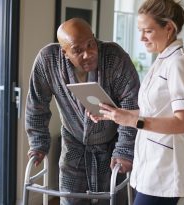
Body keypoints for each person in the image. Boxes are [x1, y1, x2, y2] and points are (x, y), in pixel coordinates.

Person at [90, 0, 184, 205]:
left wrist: (135, 121)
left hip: (165, 170)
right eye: (140, 30)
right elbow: (154, 111)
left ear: (168, 28)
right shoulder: (162, 61)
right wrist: (114, 113)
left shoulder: (180, 63)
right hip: (149, 165)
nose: (141, 37)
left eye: (148, 31)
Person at [25, 18, 140, 205]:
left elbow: (132, 103)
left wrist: (125, 149)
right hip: (73, 144)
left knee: (112, 199)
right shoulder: (48, 61)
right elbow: (37, 104)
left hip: (113, 146)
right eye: (78, 50)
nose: (88, 54)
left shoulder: (115, 57)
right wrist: (38, 143)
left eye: (91, 44)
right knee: (70, 199)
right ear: (64, 52)